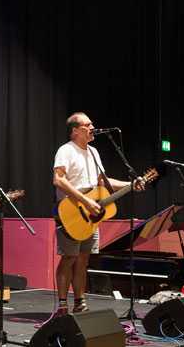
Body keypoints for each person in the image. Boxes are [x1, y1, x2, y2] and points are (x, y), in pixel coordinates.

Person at [52, 112, 143, 315]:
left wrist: (130, 185)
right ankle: (62, 304)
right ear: (75, 130)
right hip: (72, 211)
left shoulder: (93, 152)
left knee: (84, 259)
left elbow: (102, 182)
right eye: (88, 124)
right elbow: (58, 180)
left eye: (92, 123)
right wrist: (85, 201)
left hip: (90, 215)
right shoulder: (66, 150)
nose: (93, 127)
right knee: (69, 257)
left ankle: (79, 301)